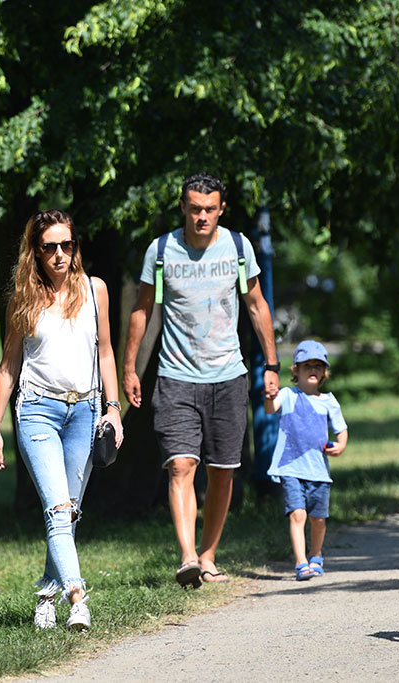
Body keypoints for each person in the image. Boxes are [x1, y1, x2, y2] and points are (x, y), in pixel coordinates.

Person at [123, 173, 279, 588]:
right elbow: (141, 310)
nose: (202, 217)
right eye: (195, 209)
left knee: (223, 471)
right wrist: (129, 368)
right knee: (180, 465)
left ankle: (208, 555)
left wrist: (272, 365)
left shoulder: (239, 246)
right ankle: (188, 556)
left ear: (221, 209)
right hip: (175, 376)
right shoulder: (161, 251)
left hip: (228, 375)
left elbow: (256, 304)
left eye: (210, 209)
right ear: (183, 207)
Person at [0, 209, 124, 631]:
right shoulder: (21, 300)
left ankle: (46, 594)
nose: (61, 254)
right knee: (57, 506)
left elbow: (105, 352)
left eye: (68, 245)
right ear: (36, 251)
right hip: (36, 412)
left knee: (68, 512)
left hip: (85, 411)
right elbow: (9, 366)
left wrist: (114, 409)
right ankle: (77, 598)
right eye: (51, 247)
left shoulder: (94, 289)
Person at [264, 340, 348, 581]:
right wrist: (269, 396)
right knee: (297, 514)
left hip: (319, 471)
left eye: (318, 366)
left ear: (324, 372)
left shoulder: (329, 401)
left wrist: (341, 445)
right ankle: (301, 562)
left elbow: (341, 429)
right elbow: (271, 409)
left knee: (318, 519)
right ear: (296, 370)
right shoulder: (288, 395)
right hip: (291, 468)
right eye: (307, 365)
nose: (313, 370)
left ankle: (316, 554)